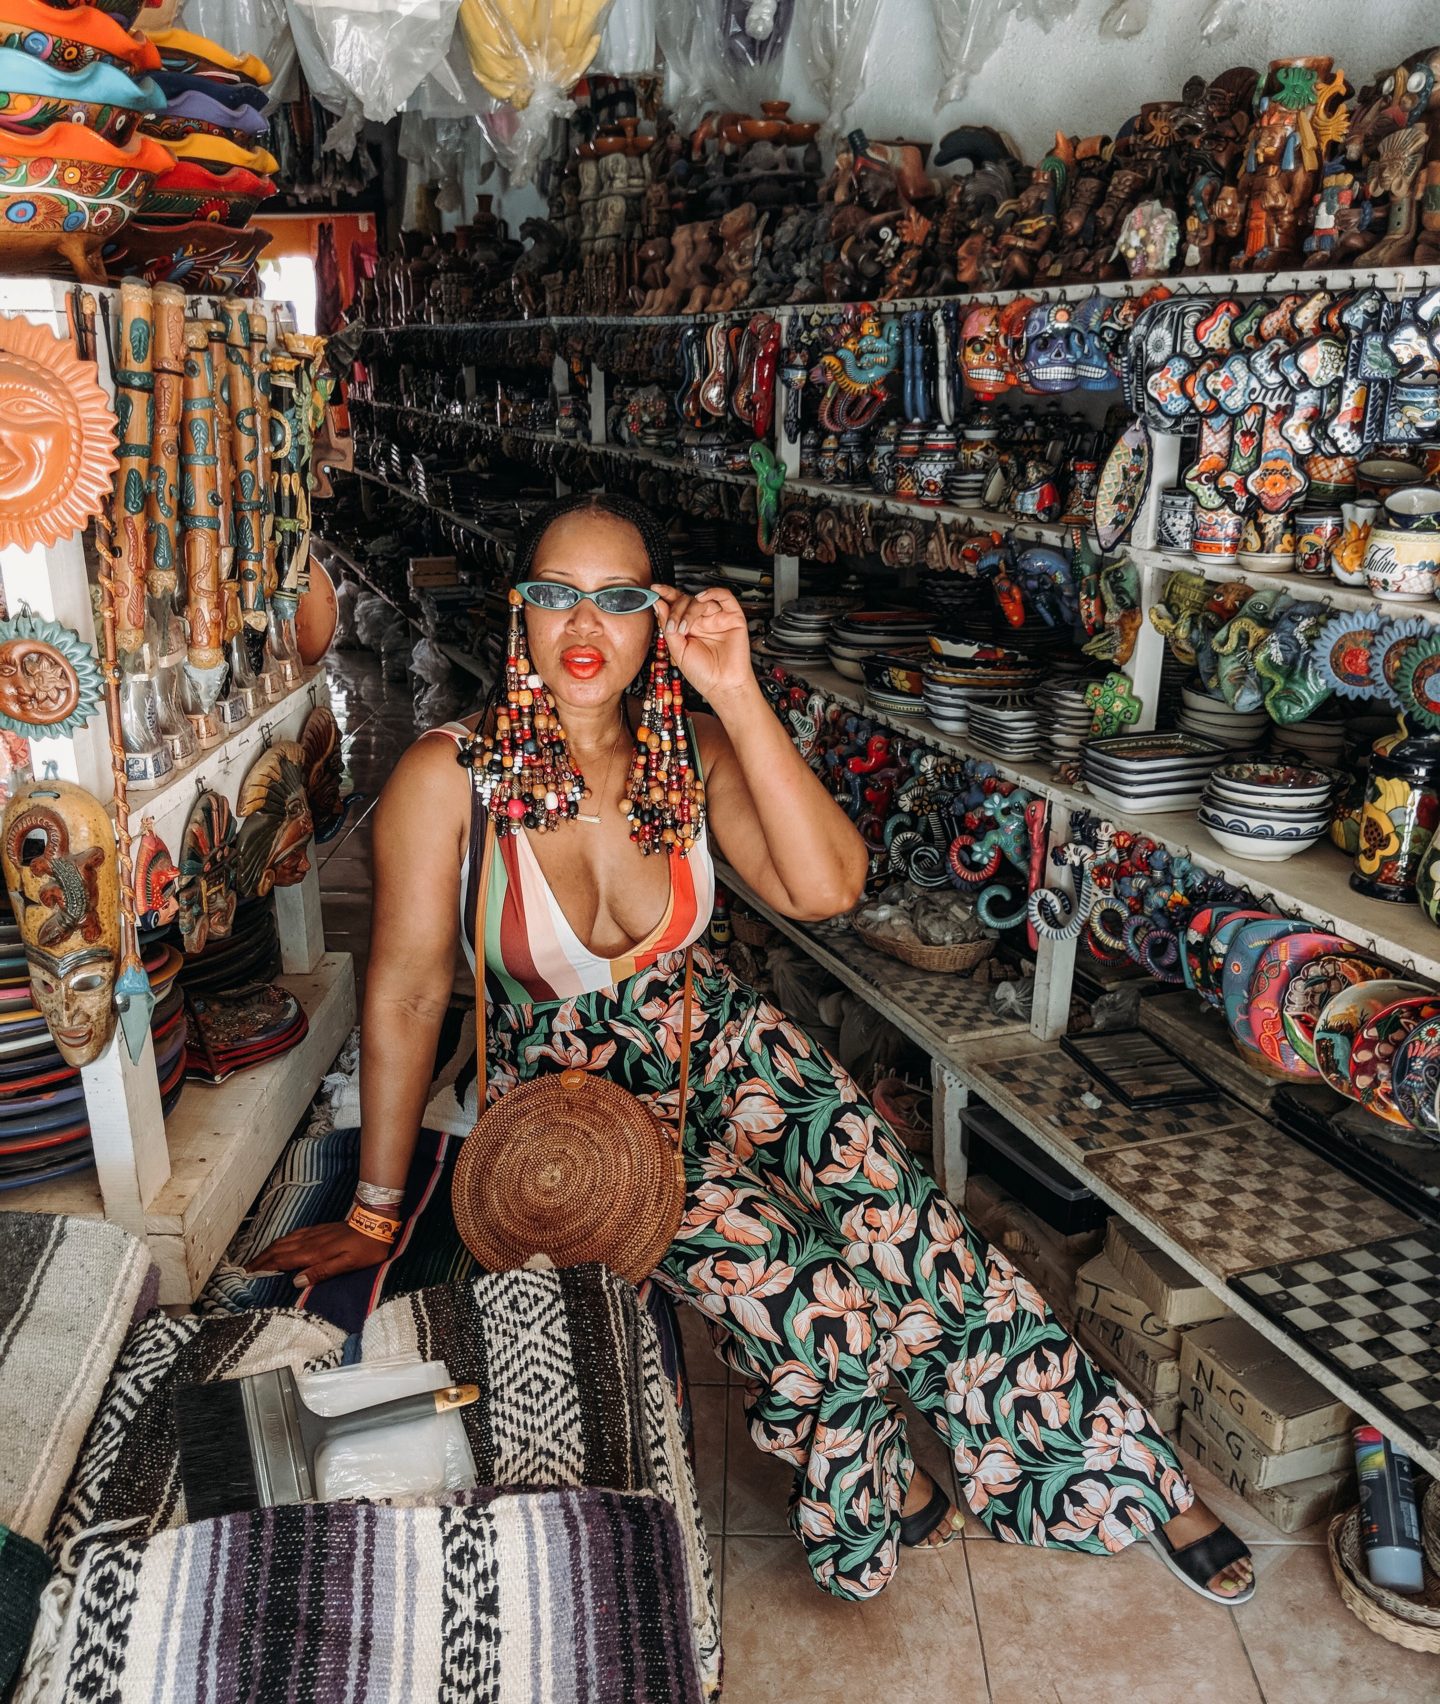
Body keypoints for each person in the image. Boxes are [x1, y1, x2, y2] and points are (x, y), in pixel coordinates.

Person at [254, 492, 1254, 1606]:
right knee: (805, 1295)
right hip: (574, 1104)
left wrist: (733, 687)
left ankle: (1124, 1476)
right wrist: (376, 1213)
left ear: (660, 621)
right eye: (556, 595)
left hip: (722, 1042)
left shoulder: (692, 752)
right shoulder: (449, 777)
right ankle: (872, 1497)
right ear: (519, 614)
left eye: (621, 600)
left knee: (911, 1233)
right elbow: (400, 996)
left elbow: (828, 888)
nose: (587, 627)